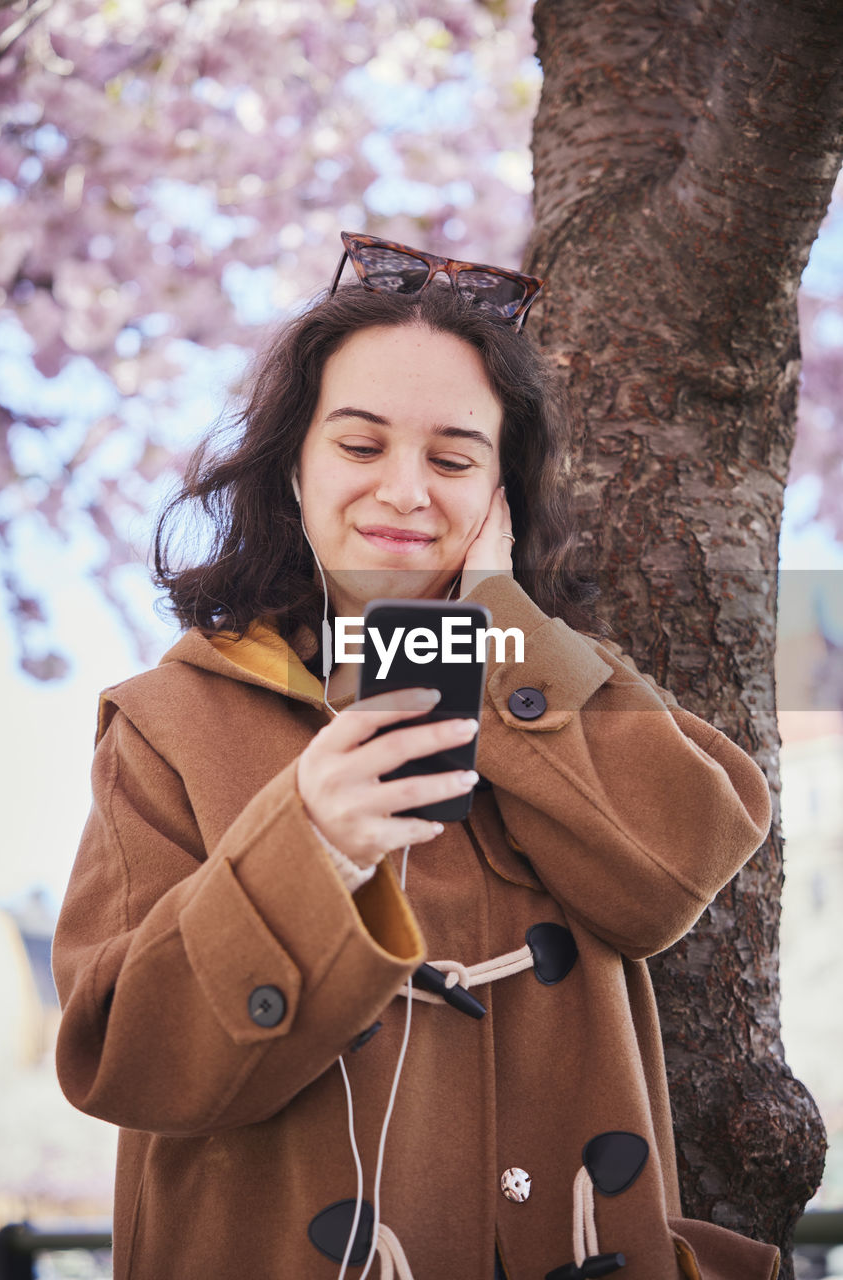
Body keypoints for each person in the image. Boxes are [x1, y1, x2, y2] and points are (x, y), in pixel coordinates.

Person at [52, 233, 782, 1280]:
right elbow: (123, 1054)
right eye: (359, 446)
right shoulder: (168, 717)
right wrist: (304, 848)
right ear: (291, 469)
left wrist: (498, 619)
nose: (404, 491)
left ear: (499, 488)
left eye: (450, 458)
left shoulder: (571, 677)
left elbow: (672, 873)